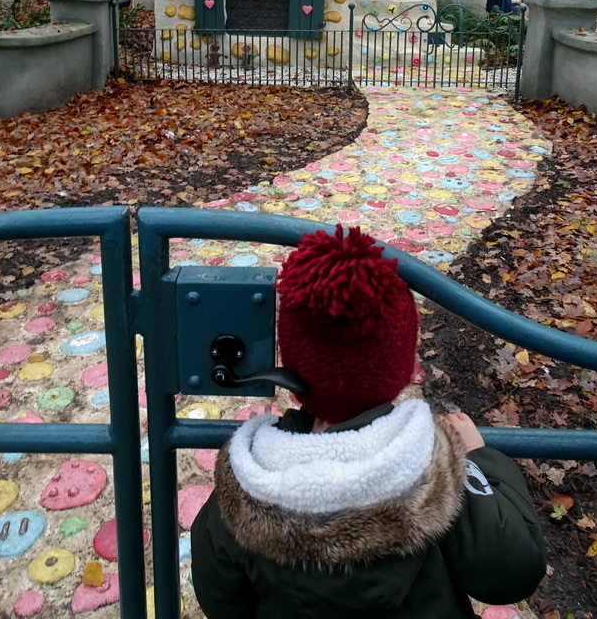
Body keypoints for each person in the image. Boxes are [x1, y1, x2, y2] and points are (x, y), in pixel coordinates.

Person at [190, 225, 546, 619]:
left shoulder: (245, 486)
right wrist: (481, 459)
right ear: (400, 369)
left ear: (291, 373)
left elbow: (221, 600)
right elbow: (514, 571)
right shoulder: (433, 466)